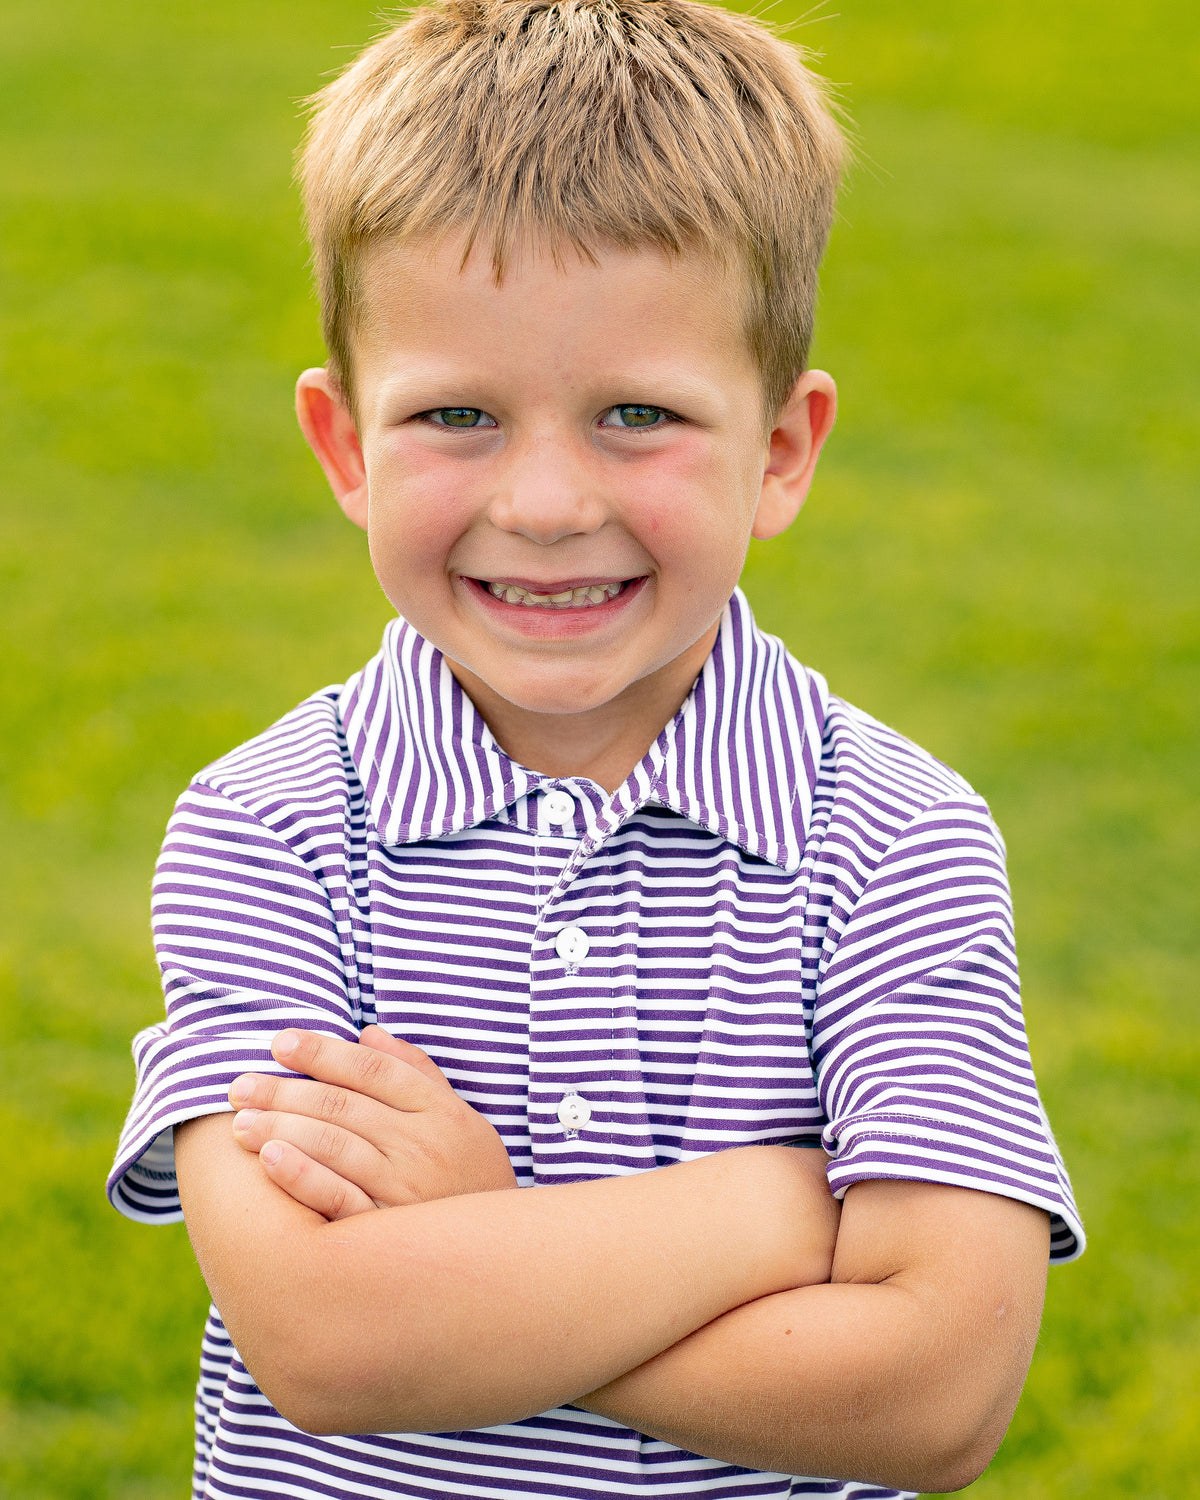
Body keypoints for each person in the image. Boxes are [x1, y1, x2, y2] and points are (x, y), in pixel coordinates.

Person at [107, 2, 1084, 1496]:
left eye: (639, 414)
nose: (549, 502)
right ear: (345, 449)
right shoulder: (269, 828)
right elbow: (326, 1343)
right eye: (457, 415)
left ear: (781, 448)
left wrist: (483, 1238)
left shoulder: (895, 838)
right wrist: (763, 1216)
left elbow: (938, 1392)